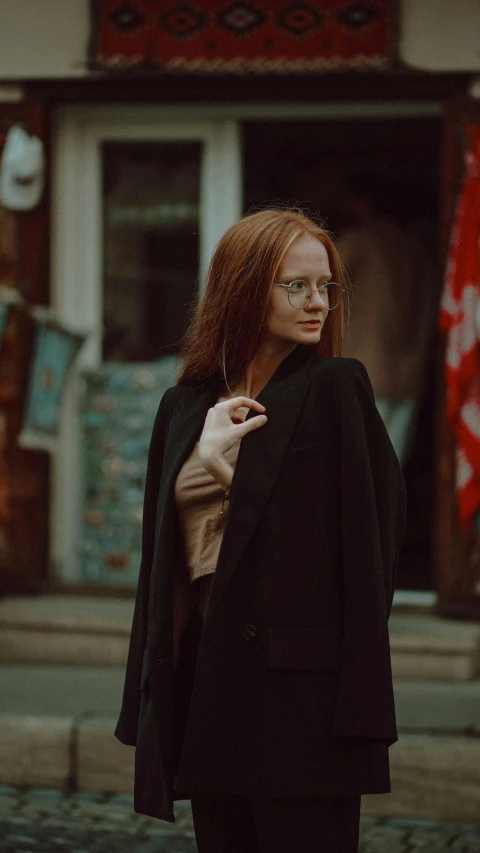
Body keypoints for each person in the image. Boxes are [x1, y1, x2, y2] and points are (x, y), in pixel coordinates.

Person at [114, 207, 407, 853]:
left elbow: (372, 553)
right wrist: (201, 457)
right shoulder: (185, 404)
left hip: (303, 697)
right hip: (207, 682)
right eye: (295, 285)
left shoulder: (336, 388)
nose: (317, 302)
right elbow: (160, 562)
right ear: (244, 286)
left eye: (326, 286)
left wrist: (361, 705)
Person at [337, 172, 437, 467]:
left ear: (366, 204)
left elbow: (312, 283)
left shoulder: (358, 243)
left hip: (362, 376)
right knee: (388, 475)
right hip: (407, 377)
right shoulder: (419, 252)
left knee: (353, 476)